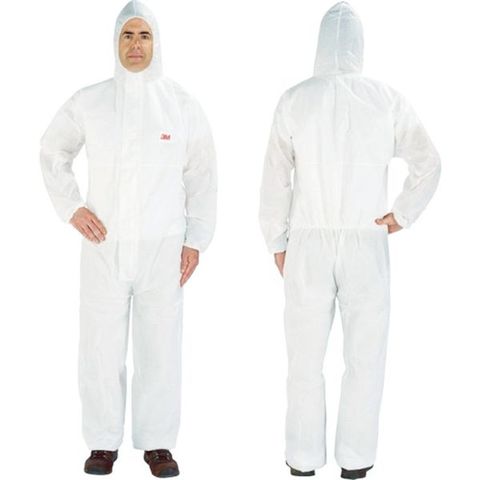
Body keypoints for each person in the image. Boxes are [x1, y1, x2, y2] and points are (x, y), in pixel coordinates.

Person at [259, 2, 440, 478]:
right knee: (366, 356)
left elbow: (275, 177)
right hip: (366, 239)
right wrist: (402, 214)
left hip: (308, 241)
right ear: (360, 44)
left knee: (304, 359)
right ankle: (356, 461)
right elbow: (428, 162)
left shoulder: (295, 99)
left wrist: (278, 240)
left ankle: (302, 459)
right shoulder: (386, 99)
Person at [40, 1, 216, 476]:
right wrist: (72, 207)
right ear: (115, 42)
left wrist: (196, 239)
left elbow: (202, 174)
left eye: (144, 35)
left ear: (156, 42)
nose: (135, 45)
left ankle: (158, 444)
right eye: (127, 35)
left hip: (163, 246)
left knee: (161, 347)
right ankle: (102, 442)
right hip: (105, 246)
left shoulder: (180, 104)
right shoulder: (90, 102)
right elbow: (52, 150)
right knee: (100, 346)